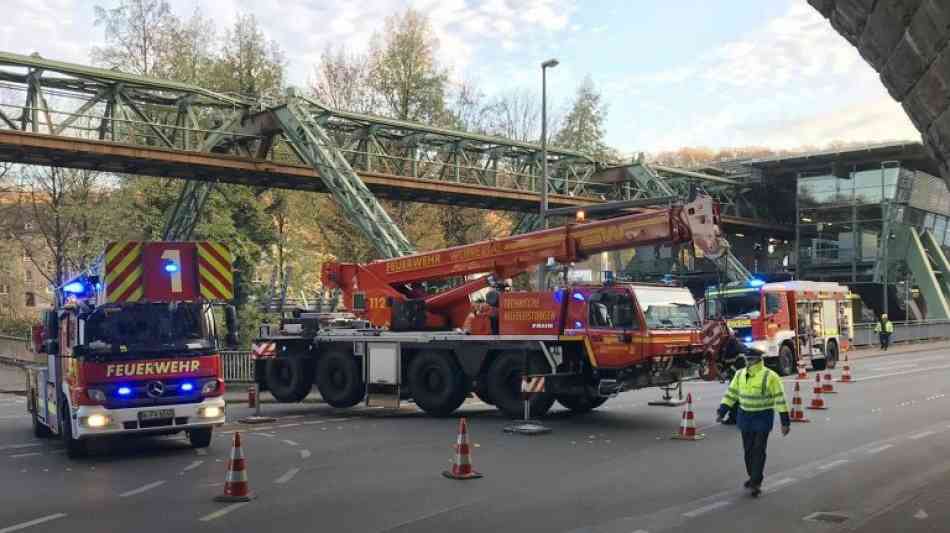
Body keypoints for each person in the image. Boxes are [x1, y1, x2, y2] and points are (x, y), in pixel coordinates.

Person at [716, 348, 790, 497]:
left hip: (763, 417)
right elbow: (731, 394)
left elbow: (780, 399)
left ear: (758, 359)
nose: (748, 362)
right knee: (748, 450)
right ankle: (752, 477)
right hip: (745, 417)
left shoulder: (770, 376)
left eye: (751, 359)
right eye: (746, 359)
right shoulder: (739, 374)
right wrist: (722, 411)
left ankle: (756, 481)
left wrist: (785, 422)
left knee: (758, 449)